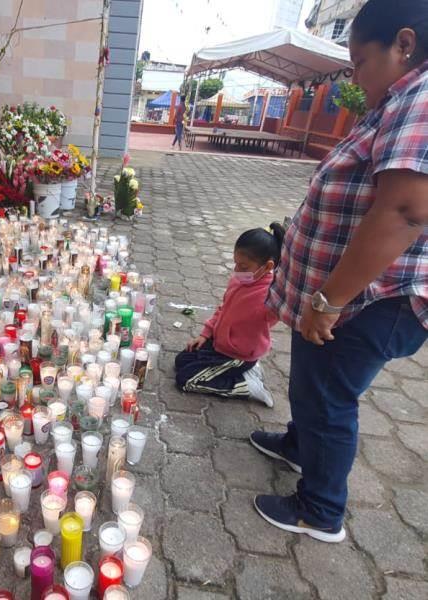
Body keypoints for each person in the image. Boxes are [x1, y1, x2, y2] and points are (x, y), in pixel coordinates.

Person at [251, 0, 428, 543]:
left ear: (404, 44)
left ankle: (319, 509)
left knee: (329, 396)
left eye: (359, 62)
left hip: (374, 299)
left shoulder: (420, 99)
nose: (354, 76)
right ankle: (301, 446)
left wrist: (329, 301)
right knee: (313, 381)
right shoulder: (395, 100)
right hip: (346, 294)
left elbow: (404, 210)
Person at [175, 224, 284, 406]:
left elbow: (282, 311)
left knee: (185, 380)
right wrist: (205, 334)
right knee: (181, 361)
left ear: (267, 267)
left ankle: (248, 385)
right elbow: (224, 308)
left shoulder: (270, 295)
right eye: (236, 263)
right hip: (219, 343)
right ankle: (248, 371)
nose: (237, 270)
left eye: (243, 266)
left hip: (238, 355)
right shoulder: (239, 280)